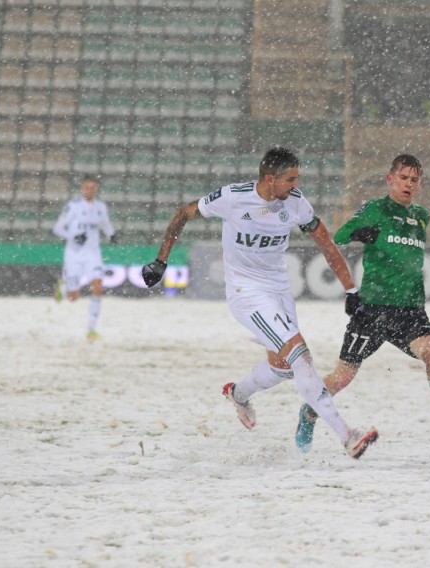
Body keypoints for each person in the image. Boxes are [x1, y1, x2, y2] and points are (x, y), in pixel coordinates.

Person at [140, 147, 378, 459]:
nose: (296, 185)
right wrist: (161, 260)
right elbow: (183, 213)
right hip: (246, 293)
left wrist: (351, 290)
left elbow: (325, 243)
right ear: (270, 178)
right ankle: (347, 436)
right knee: (300, 355)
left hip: (279, 290)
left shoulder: (295, 203)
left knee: (281, 367)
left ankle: (237, 393)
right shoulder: (233, 197)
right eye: (290, 179)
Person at [293, 154, 430, 453]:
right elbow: (340, 237)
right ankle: (308, 413)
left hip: (409, 310)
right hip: (372, 310)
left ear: (419, 184)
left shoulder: (422, 216)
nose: (409, 184)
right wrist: (360, 231)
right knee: (343, 377)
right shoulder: (375, 209)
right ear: (390, 179)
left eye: (414, 179)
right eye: (403, 178)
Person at [52, 174, 117, 342]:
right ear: (82, 189)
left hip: (93, 255)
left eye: (93, 188)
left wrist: (111, 235)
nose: (90, 190)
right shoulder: (72, 207)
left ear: (96, 189)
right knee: (74, 297)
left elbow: (105, 224)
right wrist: (72, 237)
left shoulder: (101, 207)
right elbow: (57, 228)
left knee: (98, 286)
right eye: (87, 187)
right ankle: (64, 287)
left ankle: (91, 329)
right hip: (74, 255)